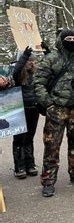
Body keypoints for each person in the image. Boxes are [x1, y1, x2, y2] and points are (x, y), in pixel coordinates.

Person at [34, 29, 74, 197]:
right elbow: (38, 82)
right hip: (57, 110)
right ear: (61, 41)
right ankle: (48, 180)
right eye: (68, 38)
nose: (71, 41)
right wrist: (48, 103)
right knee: (52, 146)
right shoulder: (51, 59)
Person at [11, 47, 40, 179]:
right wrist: (24, 56)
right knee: (19, 139)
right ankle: (19, 166)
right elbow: (16, 71)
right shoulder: (17, 74)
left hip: (33, 109)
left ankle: (30, 164)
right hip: (19, 109)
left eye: (31, 60)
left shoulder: (35, 73)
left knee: (29, 137)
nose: (30, 62)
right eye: (28, 59)